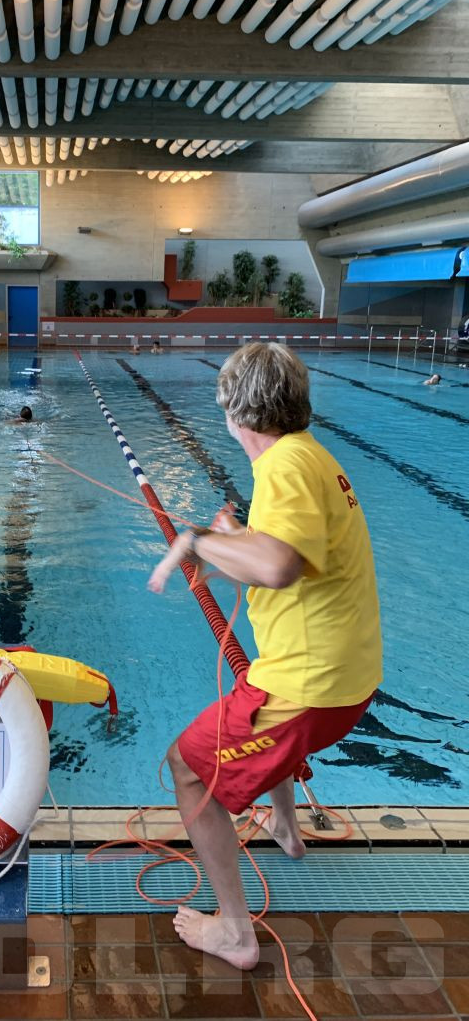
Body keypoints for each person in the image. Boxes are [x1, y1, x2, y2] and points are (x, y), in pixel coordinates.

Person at [148, 342, 381, 970]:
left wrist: (197, 543)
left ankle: (235, 933)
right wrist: (234, 542)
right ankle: (284, 828)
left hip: (310, 688)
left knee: (187, 767)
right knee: (253, 692)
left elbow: (277, 567)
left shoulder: (282, 467)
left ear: (233, 411)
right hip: (347, 676)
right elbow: (288, 554)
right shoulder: (310, 456)